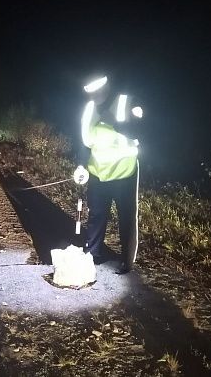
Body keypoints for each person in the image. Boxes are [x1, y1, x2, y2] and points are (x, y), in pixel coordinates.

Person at [75, 75, 143, 274]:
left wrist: (115, 123)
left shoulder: (126, 103)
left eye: (96, 90)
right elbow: (84, 141)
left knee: (126, 218)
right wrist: (80, 165)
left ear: (106, 87)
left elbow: (143, 132)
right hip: (98, 173)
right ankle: (92, 254)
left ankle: (126, 261)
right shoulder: (88, 108)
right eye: (89, 91)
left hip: (124, 173)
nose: (93, 94)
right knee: (96, 215)